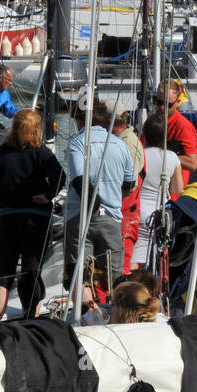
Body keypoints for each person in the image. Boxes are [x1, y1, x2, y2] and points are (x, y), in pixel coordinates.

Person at [0, 108, 63, 320]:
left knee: (3, 275)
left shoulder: (0, 154)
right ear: (36, 129)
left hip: (6, 219)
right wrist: (48, 194)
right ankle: (31, 319)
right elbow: (60, 176)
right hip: (35, 219)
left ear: (14, 127)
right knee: (31, 271)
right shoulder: (42, 153)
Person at [64, 99, 136, 298]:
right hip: (111, 216)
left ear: (80, 120)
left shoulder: (77, 144)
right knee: (116, 276)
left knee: (81, 274)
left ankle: (87, 314)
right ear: (103, 120)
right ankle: (123, 316)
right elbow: (130, 183)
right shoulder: (121, 145)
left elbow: (80, 181)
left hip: (81, 216)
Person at [130, 111, 184, 271]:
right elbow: (177, 189)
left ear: (144, 135)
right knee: (155, 264)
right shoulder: (172, 158)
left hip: (137, 212)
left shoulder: (139, 155)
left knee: (133, 262)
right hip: (159, 217)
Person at [112, 111, 146, 273]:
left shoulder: (128, 143)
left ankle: (121, 295)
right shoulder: (124, 141)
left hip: (127, 211)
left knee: (122, 266)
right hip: (124, 211)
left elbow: (130, 184)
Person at [153, 78, 197, 186]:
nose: (162, 108)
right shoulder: (152, 122)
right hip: (153, 188)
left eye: (168, 105)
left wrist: (163, 156)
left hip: (173, 193)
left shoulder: (183, 126)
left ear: (177, 103)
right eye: (159, 102)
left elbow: (192, 163)